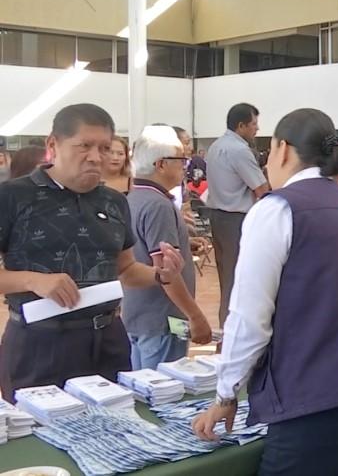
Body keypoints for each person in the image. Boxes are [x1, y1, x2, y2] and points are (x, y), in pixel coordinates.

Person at [192, 108, 338, 475]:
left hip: (325, 409)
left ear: (282, 149)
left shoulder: (277, 209)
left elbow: (249, 318)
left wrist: (226, 393)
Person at [0, 104, 183, 401]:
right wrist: (33, 280)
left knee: (115, 421)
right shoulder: (12, 196)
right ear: (53, 145)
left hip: (107, 339)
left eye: (105, 148)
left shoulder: (114, 201)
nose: (97, 157)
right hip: (39, 342)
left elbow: (125, 269)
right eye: (84, 146)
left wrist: (160, 275)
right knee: (38, 427)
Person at [123, 126, 212, 370]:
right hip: (164, 321)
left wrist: (184, 244)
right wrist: (195, 315)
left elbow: (142, 247)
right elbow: (166, 272)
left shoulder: (133, 197)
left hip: (139, 316)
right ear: (161, 164)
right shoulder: (158, 205)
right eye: (181, 160)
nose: (185, 166)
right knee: (163, 387)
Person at [206, 103, 270, 327]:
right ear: (241, 126)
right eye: (254, 124)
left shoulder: (216, 146)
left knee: (227, 277)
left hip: (218, 216)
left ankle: (226, 324)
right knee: (240, 278)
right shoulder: (239, 150)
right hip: (236, 220)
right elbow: (261, 189)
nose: (257, 129)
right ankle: (235, 327)